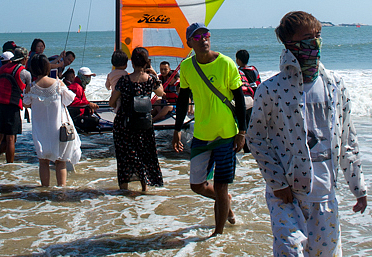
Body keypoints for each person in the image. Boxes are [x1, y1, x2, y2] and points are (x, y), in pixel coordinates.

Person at [247, 11, 368, 257]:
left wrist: (357, 187)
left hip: (325, 193)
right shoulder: (272, 89)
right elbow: (257, 139)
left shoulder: (335, 86)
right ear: (289, 45)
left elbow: (347, 138)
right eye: (306, 40)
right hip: (288, 194)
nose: (315, 44)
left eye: (317, 37)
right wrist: (276, 181)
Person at [172, 24, 246, 235]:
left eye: (206, 35)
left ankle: (218, 234)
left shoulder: (226, 63)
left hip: (226, 134)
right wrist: (177, 129)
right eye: (197, 37)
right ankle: (226, 203)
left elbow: (239, 100)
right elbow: (183, 98)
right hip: (201, 134)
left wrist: (242, 132)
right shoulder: (187, 67)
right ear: (190, 43)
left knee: (221, 186)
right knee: (197, 185)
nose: (203, 39)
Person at [109, 46, 164, 192]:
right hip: (143, 123)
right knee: (144, 155)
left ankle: (124, 191)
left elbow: (111, 102)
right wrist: (153, 73)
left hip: (124, 123)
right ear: (146, 62)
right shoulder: (150, 80)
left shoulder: (124, 80)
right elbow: (161, 92)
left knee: (124, 158)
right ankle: (144, 189)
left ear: (131, 62)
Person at [22, 53, 81, 187]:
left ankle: (45, 190)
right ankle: (61, 191)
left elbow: (25, 103)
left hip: (40, 130)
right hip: (58, 129)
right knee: (60, 161)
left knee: (43, 161)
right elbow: (69, 100)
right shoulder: (58, 84)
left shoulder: (31, 87)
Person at [0, 47, 31, 163]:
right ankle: (9, 167)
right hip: (11, 104)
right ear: (24, 59)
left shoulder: (1, 69)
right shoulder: (24, 73)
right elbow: (28, 91)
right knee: (11, 138)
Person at [65, 67, 100, 133]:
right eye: (87, 76)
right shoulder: (76, 87)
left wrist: (88, 106)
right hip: (75, 117)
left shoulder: (80, 86)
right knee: (95, 121)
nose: (89, 79)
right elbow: (72, 102)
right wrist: (88, 104)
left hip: (80, 113)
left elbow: (82, 100)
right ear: (82, 77)